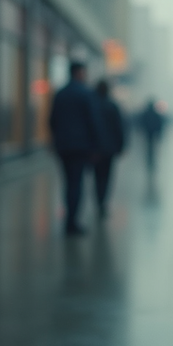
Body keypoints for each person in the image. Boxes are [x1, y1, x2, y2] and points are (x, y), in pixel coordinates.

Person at [49, 61, 104, 235]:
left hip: (63, 146)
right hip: (81, 147)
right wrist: (96, 146)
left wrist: (56, 140)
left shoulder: (60, 94)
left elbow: (52, 120)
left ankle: (69, 219)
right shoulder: (86, 94)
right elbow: (93, 122)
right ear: (79, 73)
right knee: (77, 183)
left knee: (68, 182)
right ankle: (72, 223)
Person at [92, 80, 125, 220]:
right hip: (110, 148)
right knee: (107, 176)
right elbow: (119, 128)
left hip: (94, 148)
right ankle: (103, 202)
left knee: (96, 176)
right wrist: (121, 146)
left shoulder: (92, 105)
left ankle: (98, 200)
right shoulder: (112, 106)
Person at [138, 99, 165, 173]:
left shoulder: (145, 113)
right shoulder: (156, 114)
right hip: (153, 133)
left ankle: (149, 159)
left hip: (147, 133)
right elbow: (159, 125)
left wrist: (141, 131)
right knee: (153, 147)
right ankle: (152, 160)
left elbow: (142, 122)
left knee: (148, 147)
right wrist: (159, 135)